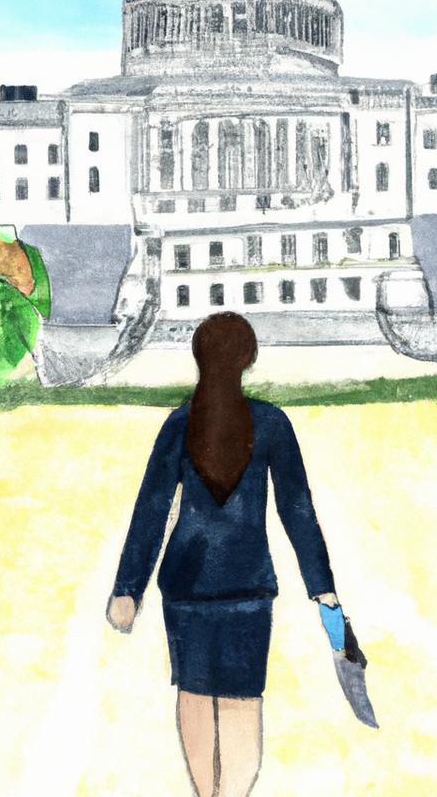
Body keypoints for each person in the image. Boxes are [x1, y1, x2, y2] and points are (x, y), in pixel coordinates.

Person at [106, 312, 341, 797]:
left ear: (199, 357)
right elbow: (298, 511)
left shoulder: (178, 424)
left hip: (186, 587)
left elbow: (150, 512)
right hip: (249, 587)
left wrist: (127, 589)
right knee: (241, 703)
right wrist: (324, 590)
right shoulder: (272, 423)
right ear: (248, 358)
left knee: (194, 699)